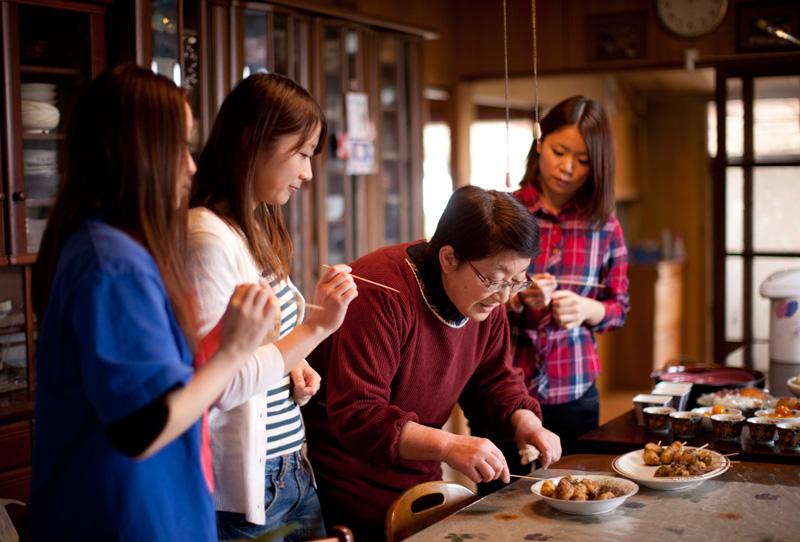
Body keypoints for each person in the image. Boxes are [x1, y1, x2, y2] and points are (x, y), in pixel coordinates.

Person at [29, 64, 277, 541]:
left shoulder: (108, 249)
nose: (190, 165)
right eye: (180, 145)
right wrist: (231, 350)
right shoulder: (113, 263)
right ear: (139, 151)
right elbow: (141, 426)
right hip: (126, 519)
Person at [304, 186, 562, 539]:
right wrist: (448, 445)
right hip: (351, 482)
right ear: (449, 258)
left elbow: (494, 380)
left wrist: (526, 421)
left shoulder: (485, 303)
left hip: (421, 475)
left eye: (516, 282)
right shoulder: (381, 293)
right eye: (494, 280)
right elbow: (359, 413)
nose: (503, 296)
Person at [187, 73, 358, 541]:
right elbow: (224, 379)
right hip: (251, 486)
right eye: (300, 153)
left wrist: (294, 364)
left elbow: (263, 346)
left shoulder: (254, 225)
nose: (307, 173)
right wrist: (317, 328)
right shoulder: (206, 238)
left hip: (291, 467)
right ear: (251, 141)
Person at [507, 95, 630, 457]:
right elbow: (467, 302)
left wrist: (586, 309)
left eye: (583, 161)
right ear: (540, 142)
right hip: (506, 389)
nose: (567, 169)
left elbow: (619, 308)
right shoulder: (505, 212)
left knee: (577, 494)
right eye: (559, 151)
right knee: (499, 502)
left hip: (574, 388)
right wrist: (515, 299)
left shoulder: (604, 225)